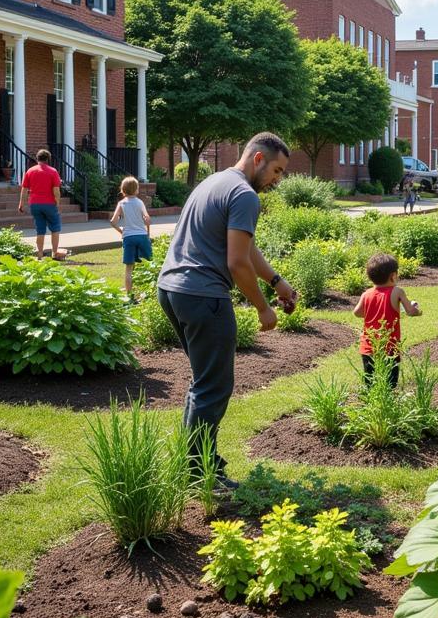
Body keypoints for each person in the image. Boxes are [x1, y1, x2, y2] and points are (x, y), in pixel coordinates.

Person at [157, 132, 298, 491]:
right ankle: (199, 473)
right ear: (257, 160)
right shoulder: (245, 195)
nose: (277, 180)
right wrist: (263, 308)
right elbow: (236, 263)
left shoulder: (215, 182)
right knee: (215, 387)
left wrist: (276, 280)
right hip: (204, 295)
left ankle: (197, 463)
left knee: (204, 383)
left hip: (172, 289)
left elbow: (245, 249)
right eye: (277, 171)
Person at [353, 253, 423, 386]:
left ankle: (372, 404)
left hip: (368, 346)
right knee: (390, 383)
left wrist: (372, 313)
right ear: (393, 275)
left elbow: (357, 313)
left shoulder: (366, 294)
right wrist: (417, 311)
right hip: (389, 347)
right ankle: (387, 403)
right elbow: (410, 311)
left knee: (370, 382)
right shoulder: (397, 291)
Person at [17, 148, 67, 260]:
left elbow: (24, 190)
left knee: (40, 229)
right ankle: (54, 253)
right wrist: (57, 204)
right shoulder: (53, 171)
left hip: (34, 204)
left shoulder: (30, 171)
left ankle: (39, 254)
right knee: (55, 228)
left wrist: (21, 204)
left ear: (37, 158)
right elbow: (56, 190)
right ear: (48, 159)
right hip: (49, 203)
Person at [109, 176, 152, 295]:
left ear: (123, 190)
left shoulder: (121, 203)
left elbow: (113, 222)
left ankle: (129, 293)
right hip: (142, 236)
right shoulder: (140, 202)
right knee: (146, 264)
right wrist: (148, 233)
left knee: (129, 267)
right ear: (137, 189)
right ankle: (146, 291)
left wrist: (121, 231)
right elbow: (147, 219)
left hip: (128, 237)